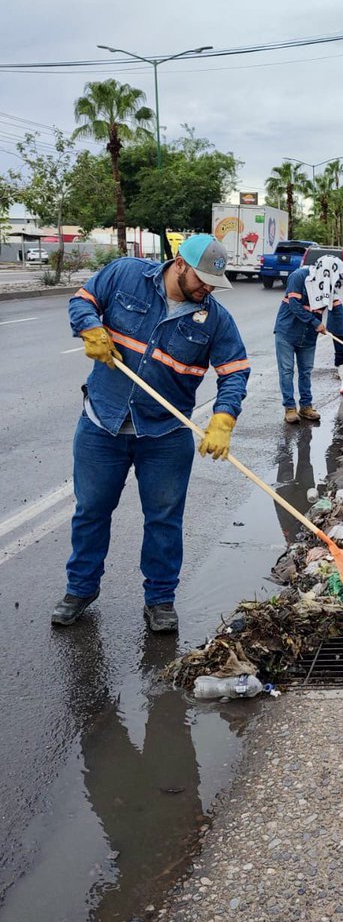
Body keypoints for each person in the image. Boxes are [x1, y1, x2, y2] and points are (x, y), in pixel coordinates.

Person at [52, 234, 250, 634]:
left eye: (214, 283)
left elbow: (235, 372)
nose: (207, 289)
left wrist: (223, 419)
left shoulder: (214, 318)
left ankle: (160, 599)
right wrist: (90, 328)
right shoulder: (126, 274)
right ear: (179, 264)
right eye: (202, 280)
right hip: (102, 422)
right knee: (91, 511)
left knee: (164, 519)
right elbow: (82, 301)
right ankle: (80, 590)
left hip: (165, 432)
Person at [274, 254, 343, 420]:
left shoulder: (331, 286)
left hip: (308, 336)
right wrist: (314, 322)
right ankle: (289, 408)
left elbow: (339, 313)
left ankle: (306, 406)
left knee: (306, 371)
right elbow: (295, 306)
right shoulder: (299, 276)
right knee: (287, 370)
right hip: (287, 332)